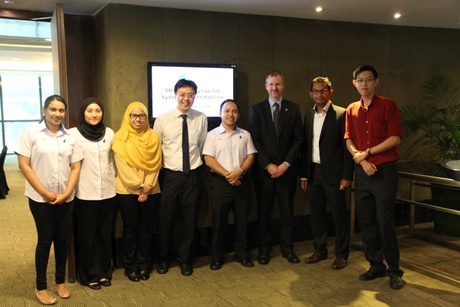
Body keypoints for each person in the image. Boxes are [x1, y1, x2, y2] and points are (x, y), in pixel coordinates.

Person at [15, 94, 83, 305]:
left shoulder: (71, 136)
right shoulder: (31, 133)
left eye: (61, 110)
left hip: (65, 197)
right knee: (45, 239)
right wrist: (44, 192)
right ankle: (41, 286)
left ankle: (60, 282)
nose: (57, 114)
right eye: (53, 109)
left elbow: (76, 166)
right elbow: (24, 165)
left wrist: (66, 193)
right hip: (39, 197)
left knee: (62, 239)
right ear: (44, 110)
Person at [344, 64, 404, 290]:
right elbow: (348, 139)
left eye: (368, 79)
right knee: (366, 221)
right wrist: (361, 160)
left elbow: (395, 138)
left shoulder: (388, 105)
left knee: (385, 221)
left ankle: (395, 270)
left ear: (376, 82)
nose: (364, 83)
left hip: (384, 172)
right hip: (363, 171)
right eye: (360, 80)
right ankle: (375, 265)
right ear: (355, 83)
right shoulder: (351, 109)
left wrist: (367, 153)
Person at [153, 79, 207, 276]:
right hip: (170, 176)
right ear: (175, 95)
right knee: (165, 220)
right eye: (183, 94)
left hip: (193, 174)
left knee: (190, 220)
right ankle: (163, 258)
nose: (187, 99)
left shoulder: (201, 118)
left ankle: (185, 259)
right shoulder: (162, 119)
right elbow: (156, 148)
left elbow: (201, 146)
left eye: (191, 95)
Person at [248, 71, 303, 265]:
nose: (274, 88)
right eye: (271, 84)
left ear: (283, 86)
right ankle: (264, 249)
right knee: (264, 212)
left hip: (287, 172)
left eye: (278, 84)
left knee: (287, 212)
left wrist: (285, 165)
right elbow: (255, 141)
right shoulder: (256, 110)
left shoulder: (293, 109)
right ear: (265, 86)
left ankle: (287, 248)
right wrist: (269, 165)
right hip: (264, 173)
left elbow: (298, 141)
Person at [300, 77, 354, 270]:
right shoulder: (309, 116)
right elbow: (306, 147)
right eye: (315, 91)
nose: (319, 94)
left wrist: (347, 175)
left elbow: (348, 147)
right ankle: (320, 250)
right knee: (316, 215)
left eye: (323, 90)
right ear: (311, 93)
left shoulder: (341, 114)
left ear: (330, 92)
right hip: (313, 172)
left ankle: (341, 253)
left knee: (339, 215)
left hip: (335, 174)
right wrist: (304, 175)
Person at [203, 99, 257, 270]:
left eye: (234, 111)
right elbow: (208, 159)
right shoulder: (212, 135)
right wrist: (228, 175)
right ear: (220, 113)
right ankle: (217, 257)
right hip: (220, 183)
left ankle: (242, 254)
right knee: (219, 222)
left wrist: (239, 172)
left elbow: (251, 156)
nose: (230, 114)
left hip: (242, 182)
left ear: (238, 115)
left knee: (242, 221)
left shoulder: (245, 134)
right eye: (227, 111)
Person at [69, 97, 116, 290]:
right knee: (88, 235)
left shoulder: (110, 132)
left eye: (97, 110)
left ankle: (104, 272)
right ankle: (89, 275)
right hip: (84, 192)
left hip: (108, 191)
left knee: (105, 234)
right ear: (83, 113)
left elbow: (113, 160)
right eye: (90, 110)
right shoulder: (73, 134)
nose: (94, 114)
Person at [112, 102, 162, 282]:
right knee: (130, 227)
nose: (138, 119)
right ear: (127, 117)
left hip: (151, 189)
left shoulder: (153, 136)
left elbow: (155, 165)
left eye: (141, 116)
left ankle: (144, 264)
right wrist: (139, 186)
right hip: (126, 190)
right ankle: (130, 265)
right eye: (133, 115)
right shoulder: (119, 138)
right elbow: (122, 168)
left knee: (146, 228)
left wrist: (147, 187)